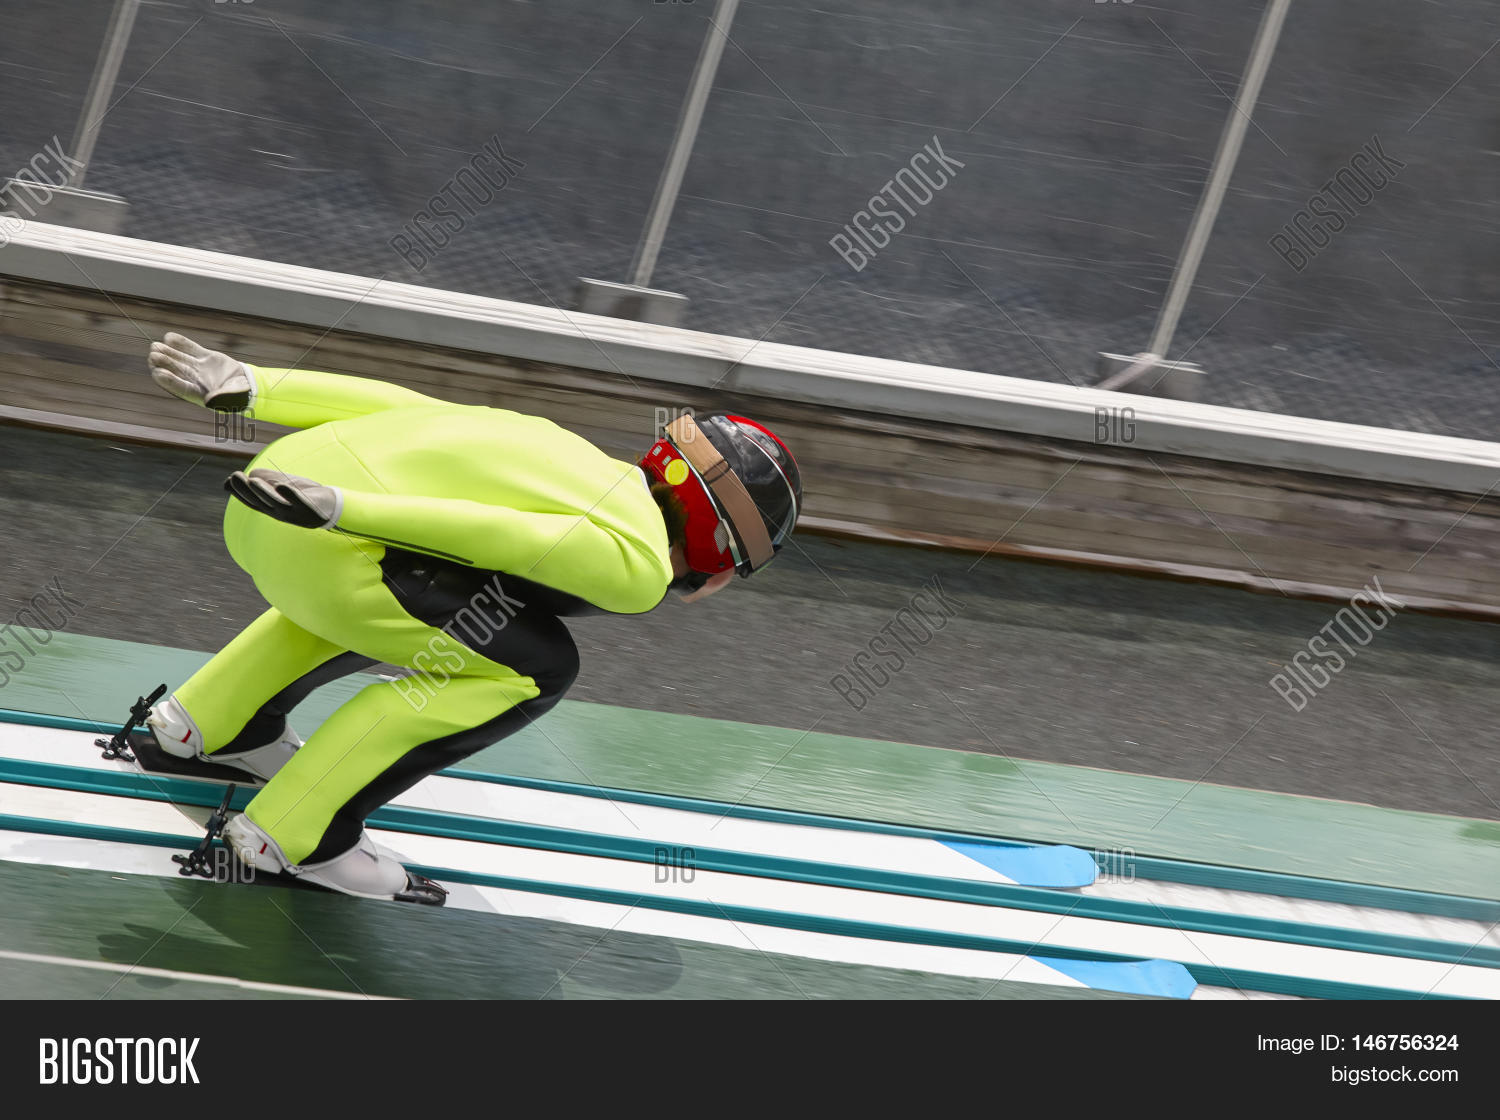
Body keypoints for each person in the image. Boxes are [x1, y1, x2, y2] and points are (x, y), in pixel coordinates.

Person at [141, 333, 802, 902]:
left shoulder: (568, 453)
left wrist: (255, 387)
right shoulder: (639, 567)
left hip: (268, 500)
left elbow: (410, 409)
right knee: (536, 667)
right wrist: (345, 509)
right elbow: (503, 536)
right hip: (320, 533)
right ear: (721, 551)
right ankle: (296, 833)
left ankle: (214, 723)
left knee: (432, 606)